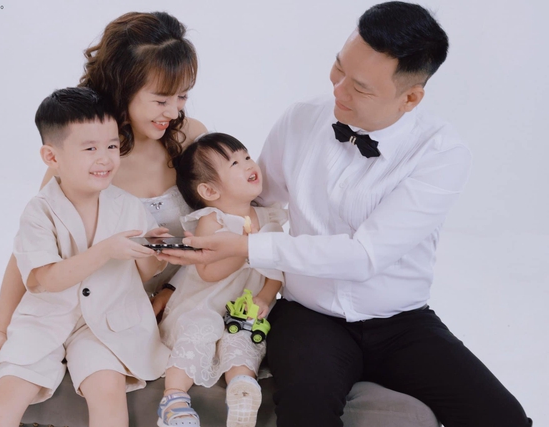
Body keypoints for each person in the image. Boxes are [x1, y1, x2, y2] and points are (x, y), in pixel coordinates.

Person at [157, 2, 533, 427]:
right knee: (305, 411)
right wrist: (179, 280)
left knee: (504, 418)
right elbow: (249, 204)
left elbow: (364, 255)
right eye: (338, 68)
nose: (337, 90)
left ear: (410, 97)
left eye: (360, 88)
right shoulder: (301, 119)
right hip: (308, 316)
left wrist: (247, 247)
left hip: (402, 323)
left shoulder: (441, 154)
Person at [0, 11, 207, 376]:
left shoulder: (190, 137)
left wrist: (172, 292)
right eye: (161, 99)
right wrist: (1, 329)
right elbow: (32, 248)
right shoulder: (88, 161)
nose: (173, 112)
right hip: (108, 309)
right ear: (123, 88)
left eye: (183, 97)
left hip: (189, 296)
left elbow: (224, 222)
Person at [0, 87, 171, 427]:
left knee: (108, 392)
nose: (105, 158)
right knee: (8, 393)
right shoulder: (39, 211)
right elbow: (48, 278)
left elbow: (141, 275)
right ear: (52, 157)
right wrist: (106, 249)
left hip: (107, 323)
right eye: (90, 148)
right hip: (44, 319)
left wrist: (154, 251)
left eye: (112, 146)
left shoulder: (127, 206)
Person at [157, 133, 286, 427]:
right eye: (235, 163)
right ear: (209, 190)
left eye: (247, 156)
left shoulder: (269, 219)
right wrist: (244, 248)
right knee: (199, 331)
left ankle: (242, 390)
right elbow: (207, 272)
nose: (249, 164)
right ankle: (174, 398)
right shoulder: (212, 220)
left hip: (244, 306)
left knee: (242, 339)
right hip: (204, 303)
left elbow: (277, 272)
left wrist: (265, 297)